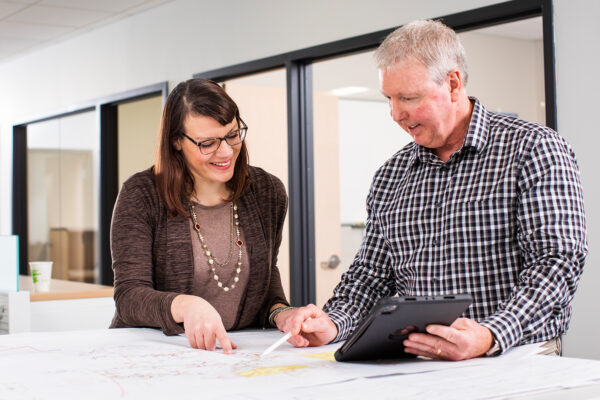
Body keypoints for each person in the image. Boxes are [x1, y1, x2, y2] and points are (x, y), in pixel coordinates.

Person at [277, 19, 587, 360]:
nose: (396, 114)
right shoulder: (391, 175)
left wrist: (491, 334)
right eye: (389, 99)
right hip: (418, 363)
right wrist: (332, 323)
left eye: (409, 98)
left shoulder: (533, 149)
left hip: (514, 357)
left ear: (453, 84)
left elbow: (557, 262)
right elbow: (371, 275)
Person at [109, 78, 291, 353]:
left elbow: (265, 278)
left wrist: (281, 312)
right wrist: (184, 305)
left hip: (232, 355)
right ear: (176, 142)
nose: (226, 151)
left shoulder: (267, 192)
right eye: (208, 143)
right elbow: (130, 297)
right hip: (155, 355)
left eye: (232, 134)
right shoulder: (141, 195)